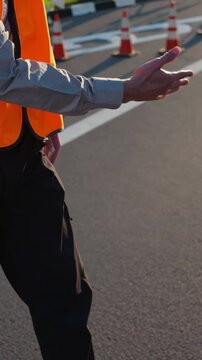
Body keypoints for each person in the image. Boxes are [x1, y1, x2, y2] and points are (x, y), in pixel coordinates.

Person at [0, 1, 193, 359]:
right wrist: (122, 90)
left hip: (24, 156)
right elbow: (3, 74)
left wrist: (45, 115)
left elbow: (26, 36)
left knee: (63, 301)